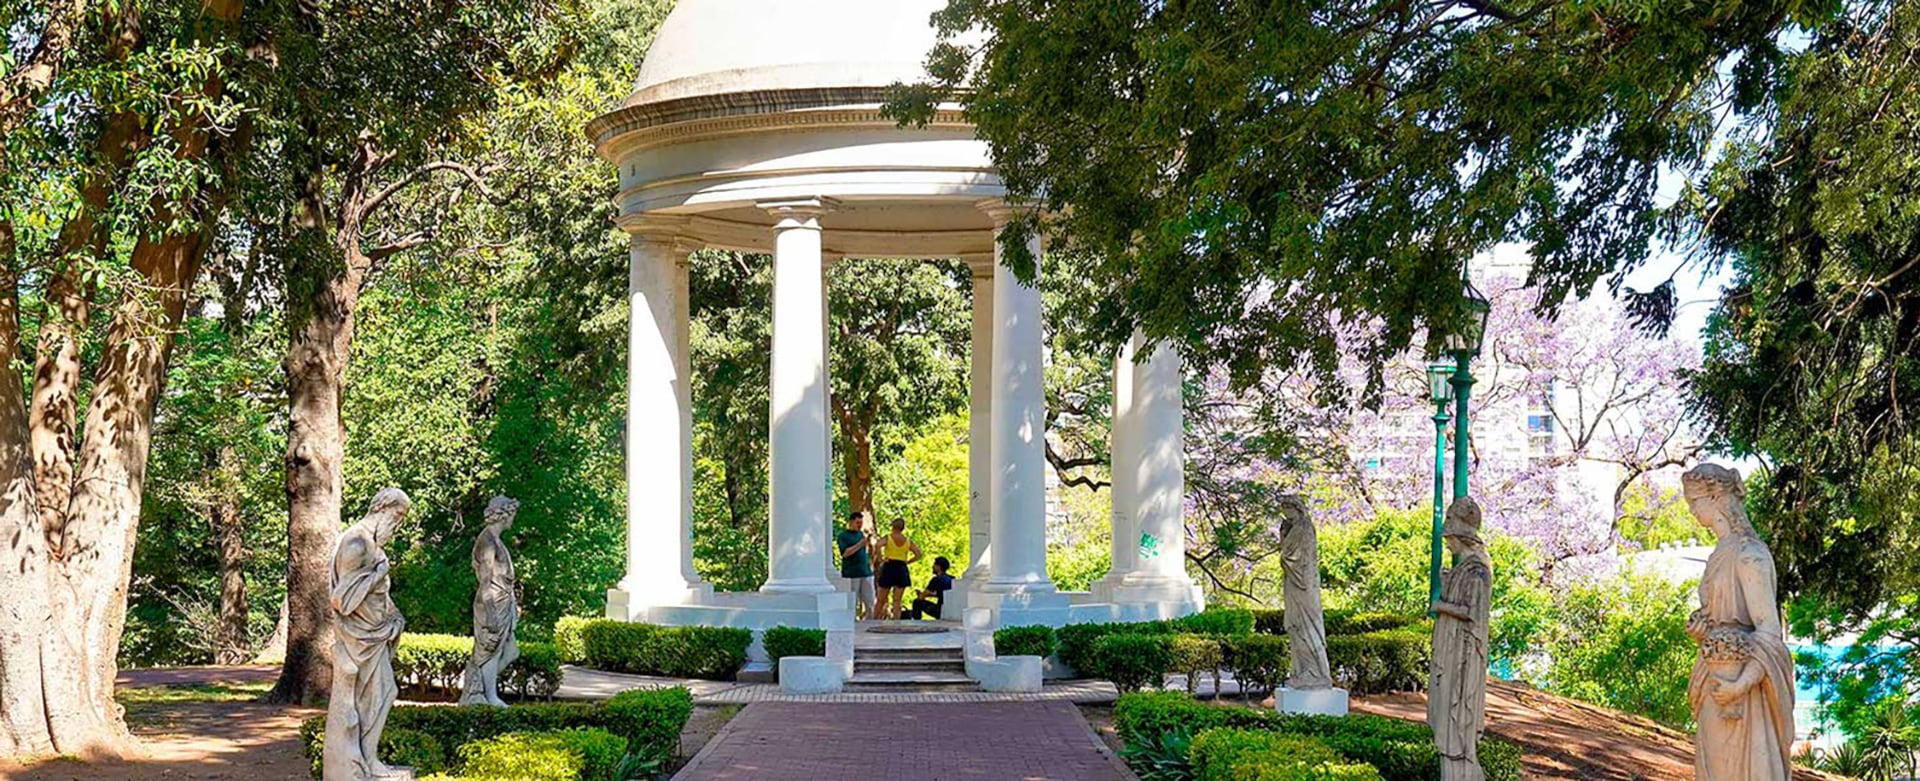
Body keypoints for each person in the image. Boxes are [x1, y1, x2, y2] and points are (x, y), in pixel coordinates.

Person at [1682, 463, 1794, 781]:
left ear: (1716, 496)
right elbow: (1723, 624)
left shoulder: (1749, 554)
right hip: (1715, 681)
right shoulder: (1720, 552)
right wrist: (1703, 633)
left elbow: (1769, 634)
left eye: (1694, 501)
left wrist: (1739, 686)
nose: (1691, 510)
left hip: (1741, 691)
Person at [874, 517, 923, 620]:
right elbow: (918, 554)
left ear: (893, 527)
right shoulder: (907, 541)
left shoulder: (889, 538)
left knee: (881, 599)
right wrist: (908, 561)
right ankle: (896, 621)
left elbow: (878, 545)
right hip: (901, 568)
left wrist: (880, 558)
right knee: (897, 600)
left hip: (889, 566)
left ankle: (873, 620)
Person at [836, 511, 877, 620]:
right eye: (857, 522)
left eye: (861, 522)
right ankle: (851, 622)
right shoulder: (843, 536)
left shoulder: (861, 534)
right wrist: (860, 544)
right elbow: (845, 553)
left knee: (870, 601)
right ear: (851, 522)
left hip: (865, 572)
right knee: (852, 601)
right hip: (852, 574)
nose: (860, 525)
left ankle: (870, 621)